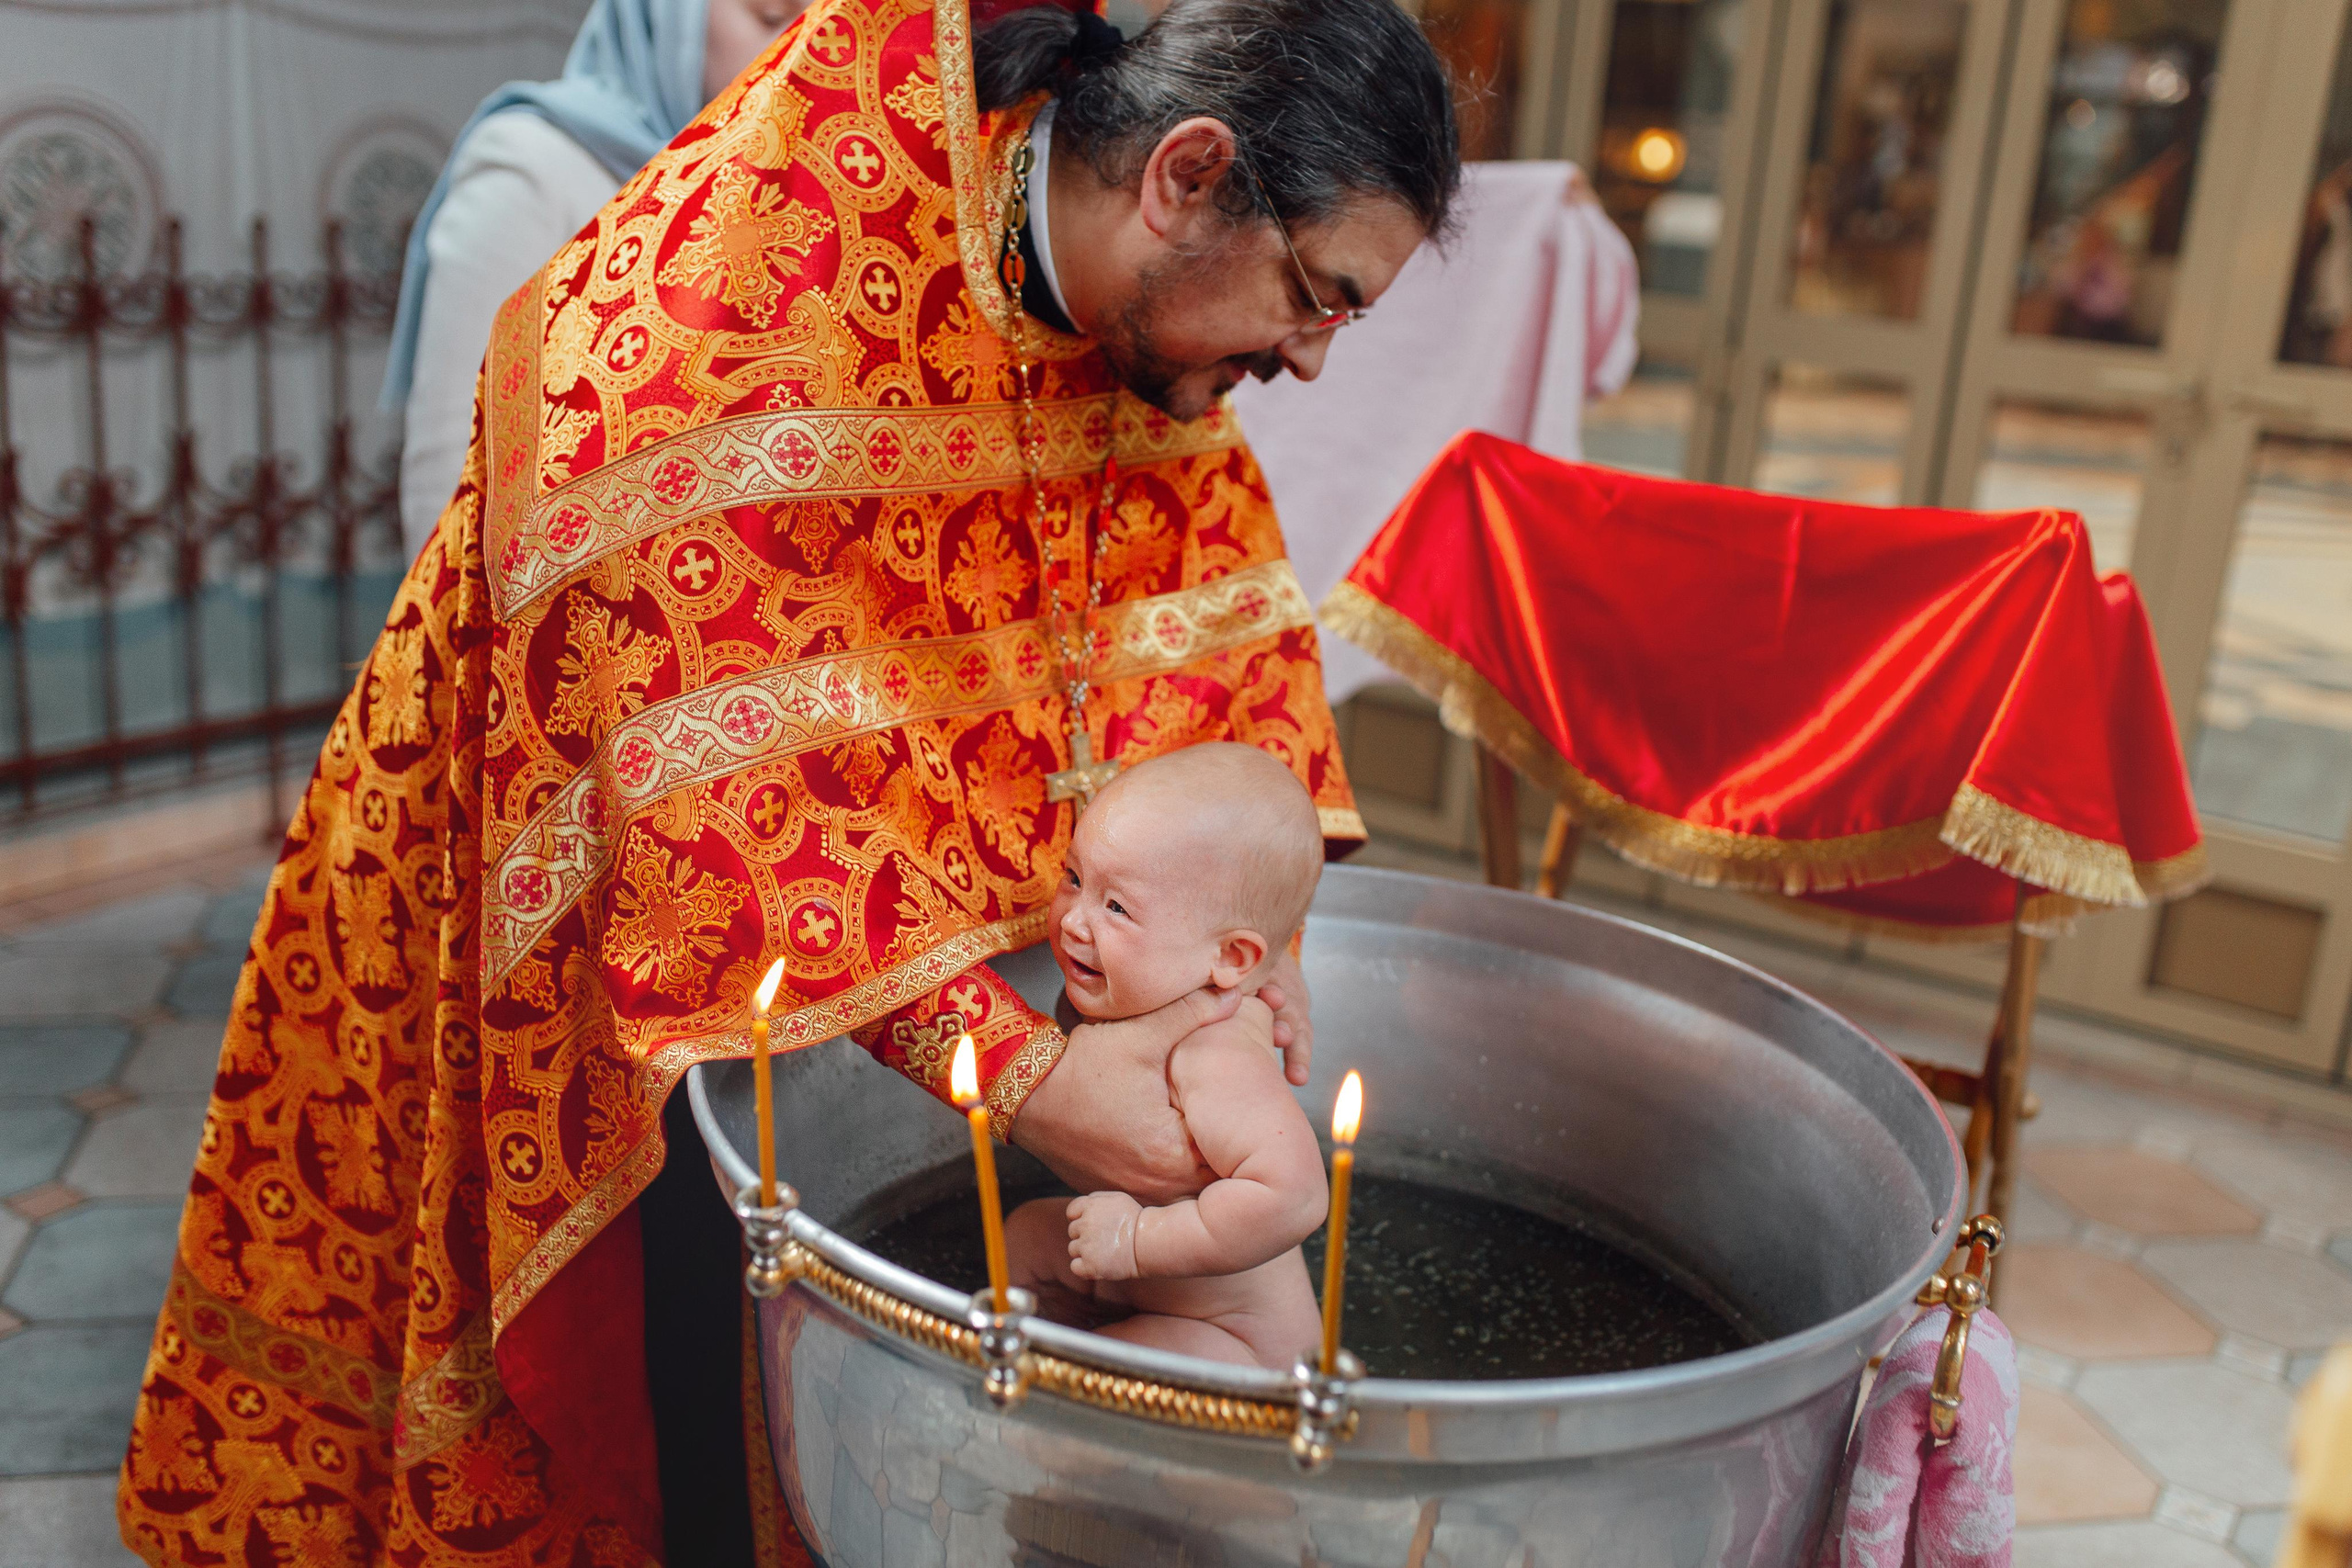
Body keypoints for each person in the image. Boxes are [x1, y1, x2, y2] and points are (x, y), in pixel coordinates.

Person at [119, 0, 1459, 1563]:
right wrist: (1027, 1076)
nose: (1308, 356)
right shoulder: (736, 296)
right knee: (680, 1398)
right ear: (1188, 174)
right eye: (1316, 294)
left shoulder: (1154, 338)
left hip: (917, 958)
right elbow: (695, 804)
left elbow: (1207, 636)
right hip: (583, 928)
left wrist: (1260, 929)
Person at [387, 0, 809, 560]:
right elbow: (451, 485)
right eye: (769, 16)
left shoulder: (780, 201)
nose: (798, 47)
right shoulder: (534, 172)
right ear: (667, 18)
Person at [1007, 744, 1327, 1369]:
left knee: (1089, 1373)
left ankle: (1042, 1395)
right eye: (1074, 878)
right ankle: (1019, 1350)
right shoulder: (1146, 987)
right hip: (1149, 1285)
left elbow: (1294, 1196)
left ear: (1230, 958)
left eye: (1117, 907)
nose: (1073, 922)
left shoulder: (1216, 1048)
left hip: (1235, 1340)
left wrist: (1137, 1239)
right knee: (1025, 1236)